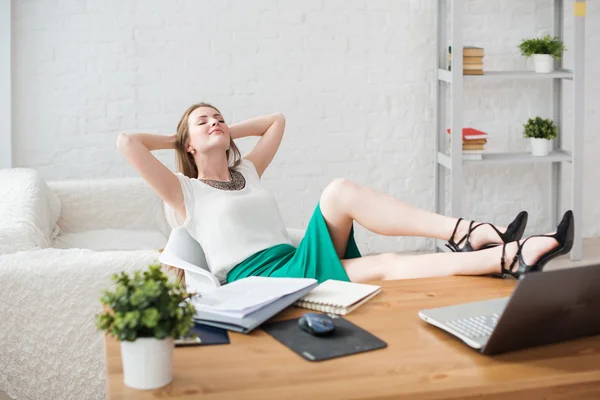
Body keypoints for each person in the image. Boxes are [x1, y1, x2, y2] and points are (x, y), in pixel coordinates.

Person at [117, 102, 574, 286]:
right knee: (387, 266)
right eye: (204, 121)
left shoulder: (248, 171)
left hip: (292, 259)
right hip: (258, 283)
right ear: (188, 144)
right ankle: (504, 251)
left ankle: (487, 240)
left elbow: (277, 121)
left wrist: (219, 128)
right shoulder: (184, 193)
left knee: (340, 193)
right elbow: (127, 143)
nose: (216, 121)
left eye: (219, 116)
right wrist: (185, 134)